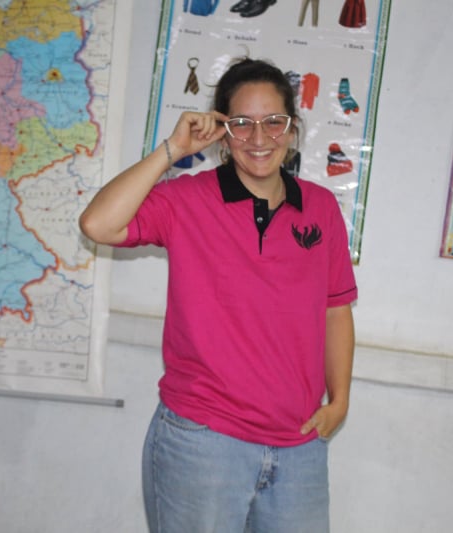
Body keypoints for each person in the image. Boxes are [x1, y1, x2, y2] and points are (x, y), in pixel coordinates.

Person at [79, 58, 357, 532]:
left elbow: (336, 310)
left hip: (300, 447)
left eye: (273, 122)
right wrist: (172, 150)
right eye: (242, 123)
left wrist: (341, 400)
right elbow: (97, 224)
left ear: (292, 129)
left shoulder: (322, 207)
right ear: (223, 133)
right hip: (204, 444)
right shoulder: (187, 200)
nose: (258, 137)